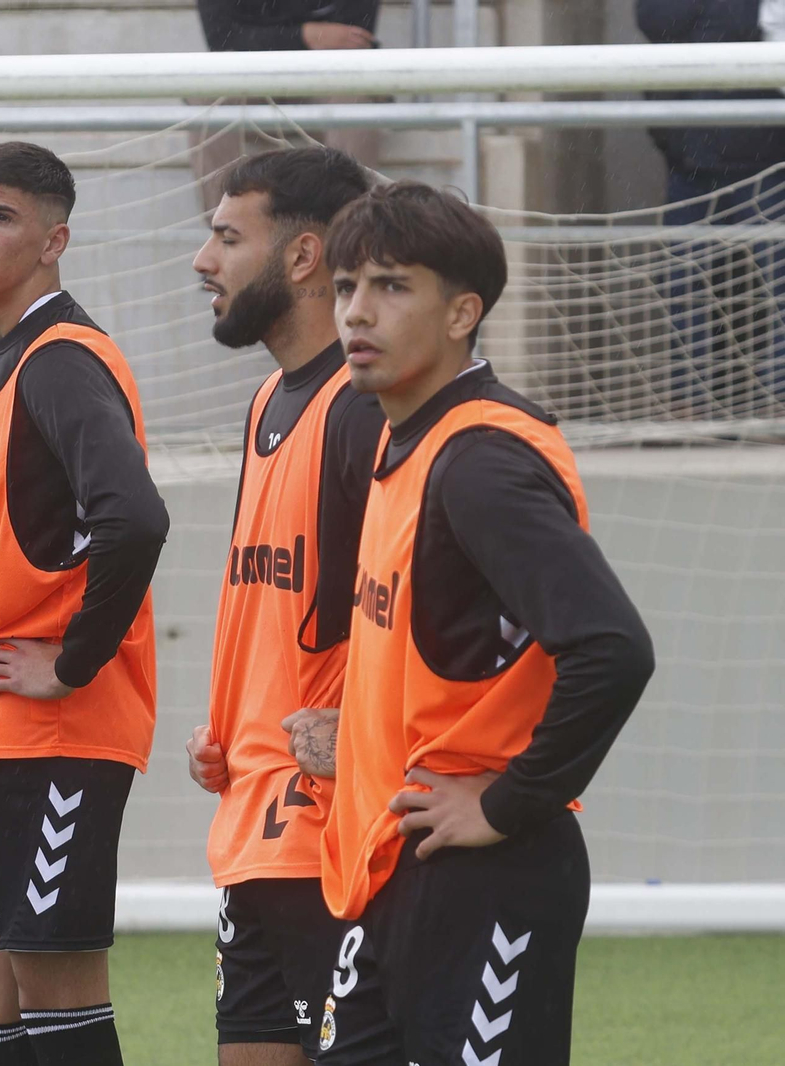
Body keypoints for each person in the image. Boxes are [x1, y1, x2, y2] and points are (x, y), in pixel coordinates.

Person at [315, 182, 656, 1065]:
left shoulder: (480, 461)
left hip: (485, 875)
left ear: (463, 312)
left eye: (392, 286)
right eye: (347, 286)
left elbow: (613, 649)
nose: (357, 311)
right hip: (396, 866)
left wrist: (506, 804)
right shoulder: (402, 440)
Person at [0, 141, 170, 1066]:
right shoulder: (8, 358)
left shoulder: (60, 360)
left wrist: (72, 661)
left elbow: (136, 520)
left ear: (54, 242)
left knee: (54, 992)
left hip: (61, 733)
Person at [182, 147, 382, 1065]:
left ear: (304, 257)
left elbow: (413, 610)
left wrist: (363, 731)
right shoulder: (269, 397)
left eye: (228, 238)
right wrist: (230, 723)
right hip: (251, 815)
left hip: (328, 830)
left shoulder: (363, 409)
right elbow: (277, 597)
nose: (204, 261)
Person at [636, 0, 785, 414]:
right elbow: (656, 21)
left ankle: (778, 400)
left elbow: (747, 31)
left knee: (777, 280)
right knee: (683, 279)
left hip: (763, 157)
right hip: (690, 156)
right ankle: (691, 400)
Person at [189, 0, 382, 214]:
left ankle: (352, 220)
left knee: (352, 97)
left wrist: (268, 36)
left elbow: (353, 39)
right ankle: (225, 221)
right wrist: (304, 35)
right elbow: (222, 37)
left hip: (328, 78)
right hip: (252, 78)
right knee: (208, 95)